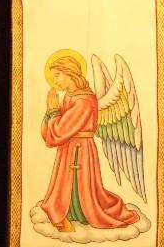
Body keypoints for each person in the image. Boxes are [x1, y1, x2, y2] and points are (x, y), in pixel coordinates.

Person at [41, 56, 139, 232]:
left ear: (70, 74)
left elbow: (61, 130)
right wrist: (52, 111)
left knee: (81, 183)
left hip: (81, 148)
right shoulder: (70, 96)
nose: (55, 81)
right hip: (68, 147)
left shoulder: (85, 100)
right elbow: (56, 131)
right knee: (66, 181)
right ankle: (68, 210)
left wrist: (53, 110)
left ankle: (85, 212)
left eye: (57, 75)